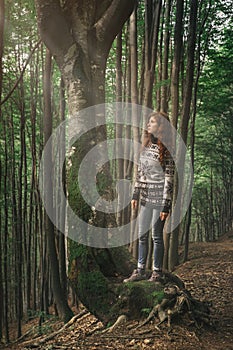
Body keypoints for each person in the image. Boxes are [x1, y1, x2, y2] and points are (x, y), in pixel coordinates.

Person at [124, 111, 174, 282]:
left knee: (156, 236)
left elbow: (169, 178)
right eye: (149, 122)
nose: (148, 124)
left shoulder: (167, 149)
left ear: (160, 126)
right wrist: (135, 195)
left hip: (159, 198)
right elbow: (140, 173)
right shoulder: (145, 145)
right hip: (145, 197)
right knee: (142, 235)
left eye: (152, 122)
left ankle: (157, 272)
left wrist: (166, 205)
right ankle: (139, 270)